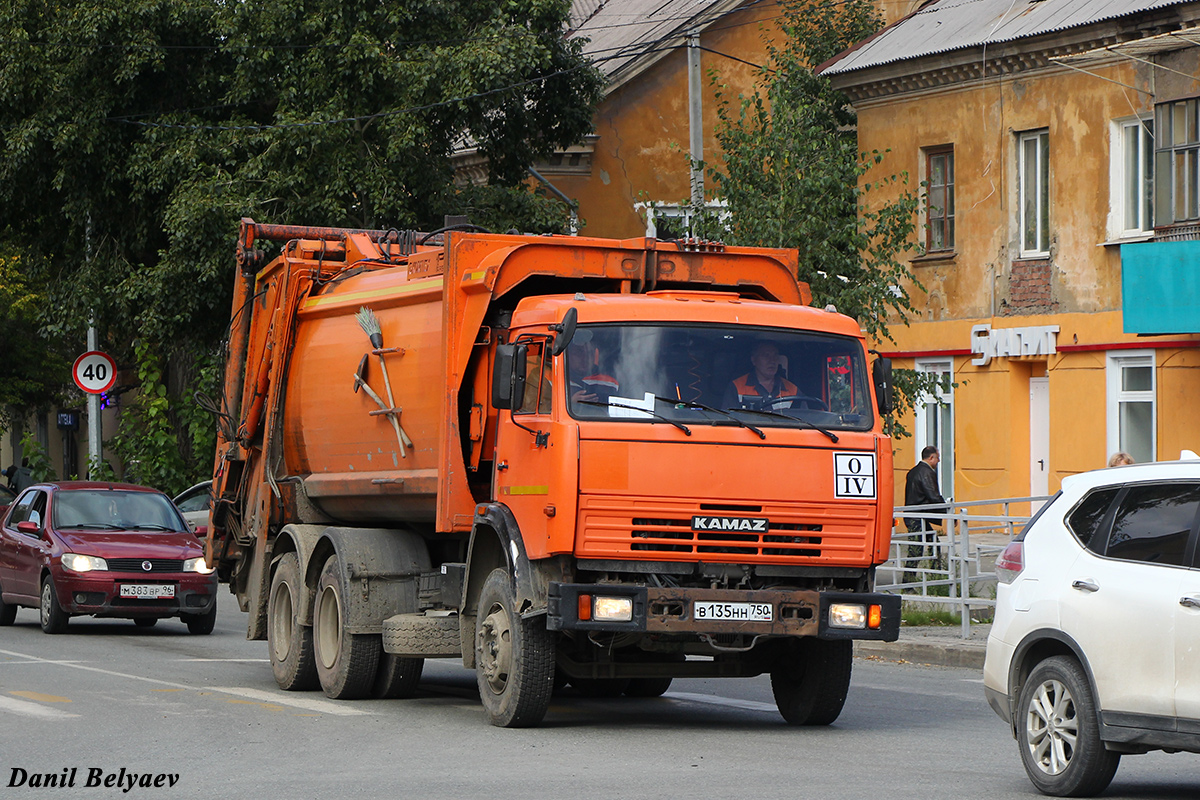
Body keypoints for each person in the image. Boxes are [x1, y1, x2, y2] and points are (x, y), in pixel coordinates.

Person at [904, 445, 948, 581]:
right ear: (931, 458)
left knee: (930, 543)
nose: (939, 461)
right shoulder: (926, 472)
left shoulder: (913, 471)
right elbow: (933, 495)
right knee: (917, 549)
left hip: (913, 515)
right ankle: (909, 582)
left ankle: (934, 576)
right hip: (918, 517)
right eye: (938, 458)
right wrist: (947, 511)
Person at [721, 340, 802, 411]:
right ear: (754, 360)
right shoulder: (736, 387)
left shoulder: (793, 390)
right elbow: (728, 421)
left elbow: (805, 420)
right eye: (766, 355)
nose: (772, 360)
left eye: (775, 355)